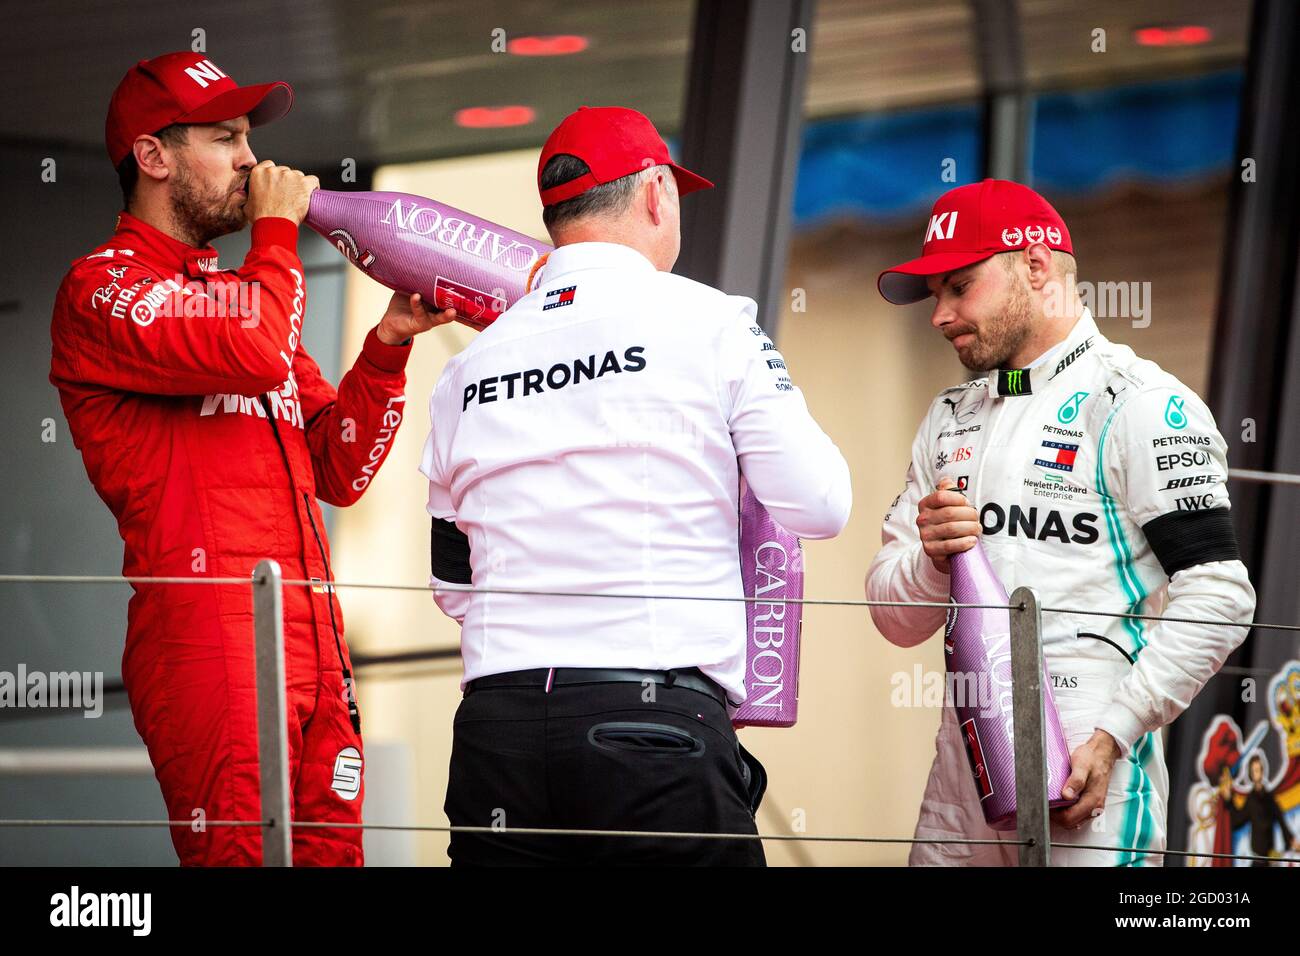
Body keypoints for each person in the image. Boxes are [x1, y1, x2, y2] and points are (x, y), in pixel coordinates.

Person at [49, 51, 453, 866]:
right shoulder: (98, 286)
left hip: (315, 634)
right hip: (209, 634)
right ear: (154, 158)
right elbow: (261, 351)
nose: (251, 160)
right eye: (225, 138)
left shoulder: (245, 298)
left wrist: (383, 350)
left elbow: (339, 472)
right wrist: (277, 230)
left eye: (247, 138)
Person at [420, 106, 852, 866]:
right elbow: (819, 504)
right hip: (651, 727)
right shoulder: (710, 321)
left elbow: (452, 582)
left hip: (498, 736)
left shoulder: (469, 366)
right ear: (658, 193)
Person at [865, 178, 1256, 866]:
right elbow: (894, 620)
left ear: (1037, 265)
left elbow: (1221, 596)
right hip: (960, 784)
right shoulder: (949, 416)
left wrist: (1114, 734)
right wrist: (932, 560)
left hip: (1087, 771)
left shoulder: (1138, 403)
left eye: (960, 286)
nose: (940, 314)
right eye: (935, 295)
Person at [1224, 755, 1300, 866]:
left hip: (1270, 858)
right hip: (1257, 859)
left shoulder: (1269, 797)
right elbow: (1237, 820)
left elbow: (1280, 819)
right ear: (1251, 774)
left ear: (1263, 771)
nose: (1258, 773)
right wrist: (1229, 800)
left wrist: (1291, 840)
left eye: (1259, 769)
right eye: (1255, 770)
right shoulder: (1251, 800)